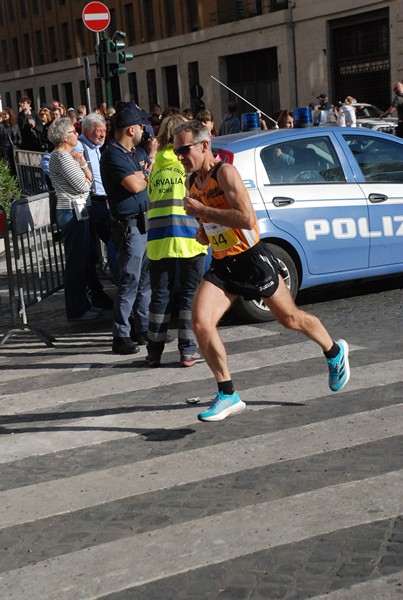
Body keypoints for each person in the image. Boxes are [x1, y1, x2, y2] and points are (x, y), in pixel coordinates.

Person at [173, 120, 350, 422]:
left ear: (204, 145)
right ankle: (228, 392)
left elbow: (247, 219)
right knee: (201, 322)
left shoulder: (225, 173)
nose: (179, 157)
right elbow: (210, 226)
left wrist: (203, 212)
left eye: (184, 150)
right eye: (176, 151)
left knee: (290, 318)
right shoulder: (192, 183)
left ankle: (334, 352)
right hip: (223, 263)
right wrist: (203, 232)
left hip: (251, 259)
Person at [145, 114, 207, 368]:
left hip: (159, 240)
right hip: (189, 237)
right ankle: (187, 352)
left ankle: (153, 353)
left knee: (160, 296)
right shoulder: (186, 164)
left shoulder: (155, 165)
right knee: (190, 296)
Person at [100, 106, 158, 355]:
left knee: (145, 281)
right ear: (130, 129)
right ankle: (121, 335)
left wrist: (144, 170)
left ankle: (141, 328)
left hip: (144, 222)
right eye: (141, 126)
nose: (144, 130)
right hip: (129, 225)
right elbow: (136, 185)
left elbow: (145, 179)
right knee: (129, 280)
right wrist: (150, 164)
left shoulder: (134, 152)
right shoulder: (113, 155)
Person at [48, 118, 103, 321]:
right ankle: (77, 308)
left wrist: (83, 168)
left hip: (77, 211)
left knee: (83, 260)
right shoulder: (61, 157)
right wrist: (84, 168)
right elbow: (84, 185)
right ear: (63, 137)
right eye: (73, 131)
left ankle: (83, 304)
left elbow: (87, 180)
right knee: (76, 262)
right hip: (71, 211)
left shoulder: (67, 156)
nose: (76, 134)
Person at [73, 112, 118, 297]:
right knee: (98, 247)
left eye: (104, 131)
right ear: (86, 131)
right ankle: (97, 291)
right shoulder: (78, 146)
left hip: (103, 200)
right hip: (91, 202)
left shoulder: (98, 146)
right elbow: (50, 161)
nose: (102, 135)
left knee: (112, 242)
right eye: (99, 132)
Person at [0, 108, 21, 176]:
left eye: (6, 114)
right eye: (3, 114)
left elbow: (19, 138)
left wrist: (17, 145)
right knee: (7, 168)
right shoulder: (1, 125)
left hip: (13, 149)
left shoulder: (15, 125)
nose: (4, 115)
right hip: (4, 150)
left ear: (10, 114)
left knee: (15, 167)